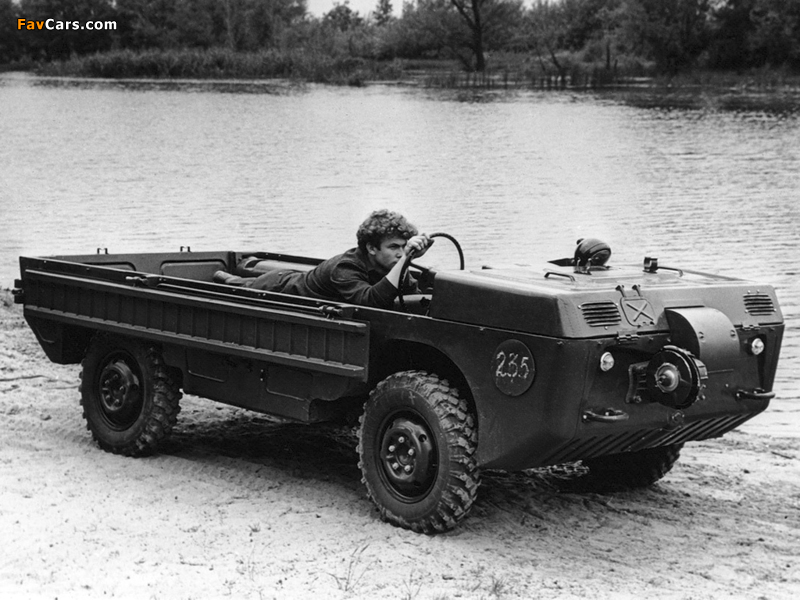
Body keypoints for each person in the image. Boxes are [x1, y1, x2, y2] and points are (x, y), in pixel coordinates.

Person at [214, 209, 433, 309]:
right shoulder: (346, 267)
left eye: (404, 247)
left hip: (295, 280)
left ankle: (227, 277)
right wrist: (405, 259)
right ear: (371, 248)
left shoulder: (388, 264)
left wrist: (407, 260)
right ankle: (224, 276)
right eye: (394, 247)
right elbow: (370, 301)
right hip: (280, 286)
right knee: (237, 288)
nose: (400, 252)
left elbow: (410, 293)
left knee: (242, 283)